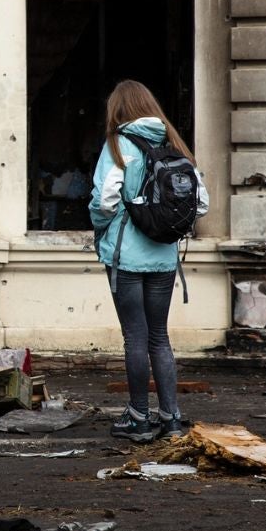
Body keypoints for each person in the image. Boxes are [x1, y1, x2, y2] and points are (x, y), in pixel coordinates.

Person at [89, 80, 209, 443]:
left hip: (125, 256)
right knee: (159, 336)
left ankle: (139, 418)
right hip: (163, 258)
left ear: (118, 109)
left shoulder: (119, 145)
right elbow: (200, 203)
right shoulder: (172, 144)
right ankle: (171, 418)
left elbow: (105, 198)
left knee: (135, 337)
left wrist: (100, 226)